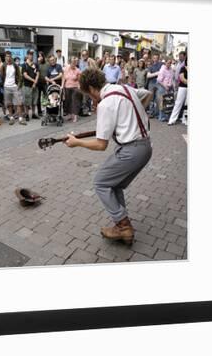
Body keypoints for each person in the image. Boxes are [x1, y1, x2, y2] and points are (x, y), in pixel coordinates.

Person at [65, 67, 152, 245]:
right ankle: (120, 224)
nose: (91, 99)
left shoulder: (106, 103)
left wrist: (77, 143)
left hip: (131, 150)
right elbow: (148, 93)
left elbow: (100, 144)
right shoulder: (125, 88)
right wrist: (132, 115)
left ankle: (124, 226)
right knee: (115, 185)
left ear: (91, 88)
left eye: (89, 95)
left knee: (100, 182)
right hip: (145, 148)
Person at [1, 51, 26, 125]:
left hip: (14, 86)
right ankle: (11, 117)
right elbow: (1, 76)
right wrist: (3, 85)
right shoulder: (3, 66)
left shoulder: (15, 65)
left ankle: (20, 118)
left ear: (11, 57)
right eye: (7, 56)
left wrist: (18, 85)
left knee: (19, 102)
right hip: (6, 87)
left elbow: (19, 76)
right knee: (9, 103)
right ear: (5, 57)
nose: (8, 58)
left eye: (9, 56)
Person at [62, 56, 82, 122]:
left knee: (74, 102)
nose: (73, 64)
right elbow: (64, 78)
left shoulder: (78, 70)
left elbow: (79, 80)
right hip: (67, 87)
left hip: (75, 88)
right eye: (72, 63)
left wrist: (79, 87)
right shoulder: (66, 69)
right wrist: (62, 86)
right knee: (68, 102)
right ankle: (70, 115)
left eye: (75, 63)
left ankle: (75, 116)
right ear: (70, 62)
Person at [168, 59, 188, 125]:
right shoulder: (183, 68)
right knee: (178, 103)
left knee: (187, 105)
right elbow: (182, 78)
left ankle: (185, 119)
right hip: (183, 87)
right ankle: (172, 120)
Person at [21, 49, 40, 120]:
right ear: (27, 55)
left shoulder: (36, 64)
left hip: (35, 86)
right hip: (27, 86)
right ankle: (26, 114)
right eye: (29, 54)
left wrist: (35, 82)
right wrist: (34, 81)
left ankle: (33, 113)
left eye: (32, 54)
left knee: (34, 101)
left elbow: (38, 73)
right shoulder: (24, 65)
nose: (31, 56)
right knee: (27, 101)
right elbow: (25, 75)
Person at [146, 53, 164, 118]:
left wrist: (153, 74)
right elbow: (148, 76)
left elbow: (164, 72)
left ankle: (157, 113)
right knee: (151, 99)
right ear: (153, 59)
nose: (155, 59)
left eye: (156, 58)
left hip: (159, 83)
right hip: (151, 83)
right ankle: (151, 112)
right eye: (154, 58)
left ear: (158, 58)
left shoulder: (161, 64)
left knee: (158, 99)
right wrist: (157, 73)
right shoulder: (150, 66)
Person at [36, 52, 49, 118]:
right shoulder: (37, 64)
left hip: (45, 83)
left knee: (46, 96)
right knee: (38, 98)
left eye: (40, 56)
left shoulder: (47, 64)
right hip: (38, 83)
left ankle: (46, 110)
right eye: (38, 56)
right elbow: (35, 72)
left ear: (43, 57)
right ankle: (39, 111)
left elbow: (49, 72)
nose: (39, 58)